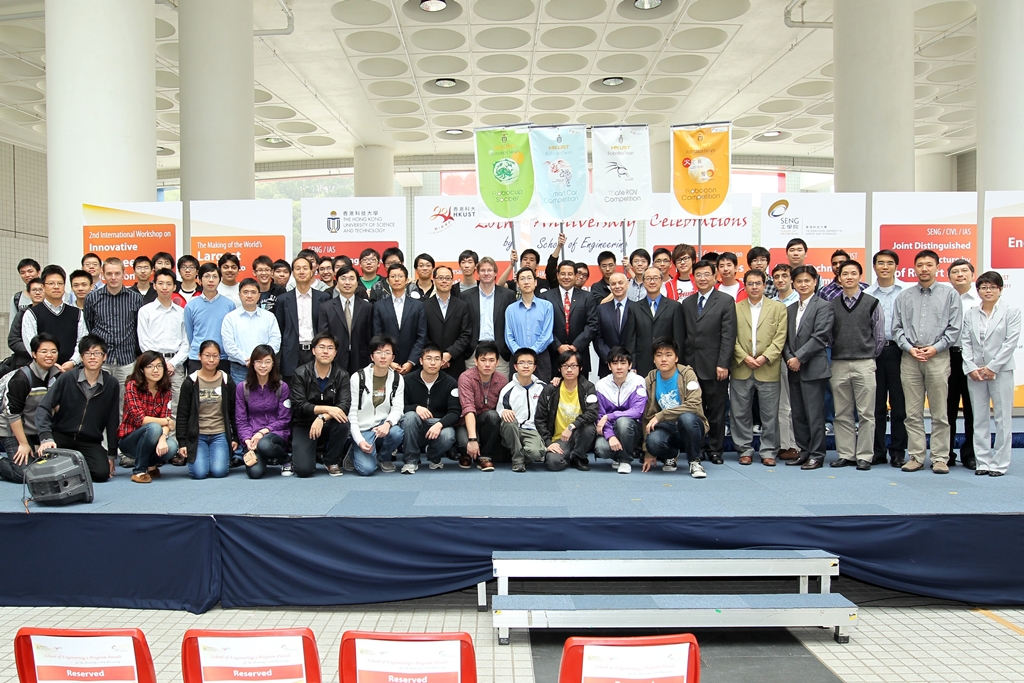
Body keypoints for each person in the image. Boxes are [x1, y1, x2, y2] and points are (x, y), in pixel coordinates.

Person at [893, 249, 963, 474]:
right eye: (920, 265)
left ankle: (940, 457)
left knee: (940, 412)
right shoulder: (904, 296)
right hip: (910, 358)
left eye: (929, 265)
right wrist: (910, 348)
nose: (924, 269)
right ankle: (915, 456)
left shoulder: (950, 295)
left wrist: (935, 348)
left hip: (938, 357)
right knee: (912, 412)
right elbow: (897, 328)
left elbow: (954, 329)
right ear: (914, 268)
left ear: (937, 267)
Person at [36, 335, 120, 483]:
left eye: (97, 353)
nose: (92, 357)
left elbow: (112, 420)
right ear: (81, 357)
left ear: (104, 357)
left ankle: (72, 465)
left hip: (90, 441)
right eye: (88, 353)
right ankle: (74, 464)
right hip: (62, 436)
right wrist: (46, 437)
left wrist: (111, 455)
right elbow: (44, 406)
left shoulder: (111, 383)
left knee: (101, 474)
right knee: (46, 465)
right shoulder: (67, 378)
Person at [961, 271, 1021, 477]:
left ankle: (1000, 463)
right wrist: (970, 367)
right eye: (984, 287)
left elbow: (1010, 342)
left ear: (1000, 289)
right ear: (978, 290)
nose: (988, 291)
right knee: (979, 418)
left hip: (1001, 371)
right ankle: (983, 461)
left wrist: (993, 367)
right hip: (976, 372)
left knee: (1003, 419)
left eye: (992, 287)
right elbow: (966, 342)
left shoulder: (1011, 311)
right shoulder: (970, 313)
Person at [828, 261, 884, 470]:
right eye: (845, 274)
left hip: (864, 364)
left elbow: (879, 337)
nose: (849, 277)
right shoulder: (831, 304)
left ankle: (864, 456)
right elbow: (828, 336)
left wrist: (867, 355)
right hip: (839, 363)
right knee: (842, 413)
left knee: (866, 413)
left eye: (853, 273)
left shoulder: (872, 303)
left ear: (860, 276)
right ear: (839, 278)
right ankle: (846, 454)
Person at [680, 260, 736, 465]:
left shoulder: (725, 301)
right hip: (690, 367)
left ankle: (715, 449)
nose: (702, 278)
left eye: (706, 274)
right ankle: (697, 448)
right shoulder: (686, 303)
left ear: (715, 277)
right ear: (693, 278)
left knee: (716, 410)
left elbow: (729, 336)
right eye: (699, 275)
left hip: (715, 367)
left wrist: (723, 363)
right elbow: (683, 335)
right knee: (694, 410)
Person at [730, 269, 787, 466]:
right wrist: (744, 357)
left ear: (764, 285)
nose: (754, 287)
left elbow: (780, 338)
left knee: (769, 413)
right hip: (741, 366)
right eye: (750, 284)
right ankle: (744, 449)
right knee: (740, 412)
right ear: (744, 286)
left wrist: (765, 357)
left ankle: (768, 450)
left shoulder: (778, 308)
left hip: (768, 367)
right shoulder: (735, 308)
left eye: (758, 283)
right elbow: (731, 338)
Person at [783, 266, 833, 470]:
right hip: (793, 368)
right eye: (799, 281)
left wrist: (799, 358)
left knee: (814, 414)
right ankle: (803, 452)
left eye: (807, 281)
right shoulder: (791, 308)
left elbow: (820, 337)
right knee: (798, 413)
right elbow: (785, 339)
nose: (803, 284)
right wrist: (789, 358)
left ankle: (817, 454)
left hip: (813, 368)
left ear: (815, 282)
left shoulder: (824, 306)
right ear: (793, 284)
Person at [640, 338, 709, 478]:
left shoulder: (687, 374)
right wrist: (647, 451)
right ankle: (671, 455)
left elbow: (693, 405)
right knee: (653, 442)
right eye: (659, 355)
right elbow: (647, 415)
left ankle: (695, 461)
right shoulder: (650, 379)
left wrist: (661, 415)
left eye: (668, 355)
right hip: (668, 428)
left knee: (687, 418)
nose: (663, 359)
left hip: (692, 425)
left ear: (676, 358)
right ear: (654, 360)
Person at [84, 257, 143, 416]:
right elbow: (90, 325)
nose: (113, 277)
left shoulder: (135, 298)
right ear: (103, 274)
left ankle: (122, 438)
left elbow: (139, 328)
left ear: (124, 274)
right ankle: (101, 440)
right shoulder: (92, 298)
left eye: (117, 273)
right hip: (101, 360)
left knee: (125, 402)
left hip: (127, 359)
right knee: (99, 400)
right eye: (109, 273)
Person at [866, 249, 908, 467]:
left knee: (900, 406)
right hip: (874, 353)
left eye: (889, 263)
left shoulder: (906, 292)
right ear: (874, 267)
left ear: (896, 266)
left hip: (900, 351)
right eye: (880, 263)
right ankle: (877, 450)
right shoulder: (867, 293)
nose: (885, 267)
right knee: (876, 405)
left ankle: (899, 451)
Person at [287, 332, 351, 477]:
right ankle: (312, 454)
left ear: (335, 353)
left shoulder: (342, 375)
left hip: (328, 423)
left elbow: (344, 405)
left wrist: (322, 418)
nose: (325, 351)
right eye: (321, 347)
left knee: (343, 423)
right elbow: (299, 405)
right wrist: (327, 409)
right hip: (304, 424)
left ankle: (331, 461)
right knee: (304, 471)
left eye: (330, 348)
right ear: (313, 350)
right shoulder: (301, 373)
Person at [0, 333, 61, 484]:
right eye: (44, 351)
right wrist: (24, 444)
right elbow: (12, 414)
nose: (49, 355)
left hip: (36, 429)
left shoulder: (58, 376)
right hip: (12, 429)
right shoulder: (21, 378)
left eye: (53, 351)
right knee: (25, 475)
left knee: (50, 469)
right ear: (33, 354)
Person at [175, 339, 238, 480]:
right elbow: (182, 415)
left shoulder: (226, 380)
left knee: (219, 472)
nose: (211, 360)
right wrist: (182, 443)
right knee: (199, 474)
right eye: (207, 355)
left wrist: (235, 437)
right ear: (199, 356)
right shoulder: (191, 381)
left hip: (220, 433)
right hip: (198, 435)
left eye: (215, 356)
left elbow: (234, 412)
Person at [349, 334, 405, 476]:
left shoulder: (397, 378)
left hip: (382, 425)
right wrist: (359, 440)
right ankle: (352, 451)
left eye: (387, 353)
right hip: (362, 429)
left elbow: (398, 407)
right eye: (379, 352)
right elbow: (352, 412)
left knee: (397, 432)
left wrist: (388, 423)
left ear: (393, 358)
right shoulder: (358, 377)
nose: (383, 356)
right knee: (367, 470)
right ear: (372, 356)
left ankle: (383, 458)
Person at [118, 350, 177, 483]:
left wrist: (163, 438)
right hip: (130, 440)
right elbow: (141, 419)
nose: (155, 370)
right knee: (154, 427)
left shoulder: (165, 388)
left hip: (153, 436)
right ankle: (139, 471)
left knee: (172, 446)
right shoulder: (132, 386)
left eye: (159, 366)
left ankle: (151, 464)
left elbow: (167, 419)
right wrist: (167, 421)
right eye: (150, 366)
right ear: (142, 370)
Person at [399, 344, 459, 474]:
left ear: (442, 362)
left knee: (449, 435)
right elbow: (399, 406)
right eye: (429, 358)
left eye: (437, 359)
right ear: (421, 361)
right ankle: (410, 461)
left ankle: (433, 455)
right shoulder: (407, 380)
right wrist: (415, 408)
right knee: (409, 417)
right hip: (415, 425)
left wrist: (440, 424)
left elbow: (455, 412)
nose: (433, 363)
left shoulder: (450, 382)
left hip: (437, 424)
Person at [535, 349, 597, 471]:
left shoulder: (588, 387)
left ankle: (578, 456)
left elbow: (592, 413)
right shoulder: (550, 390)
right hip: (559, 439)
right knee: (553, 463)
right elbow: (540, 419)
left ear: (580, 368)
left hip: (579, 434)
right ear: (559, 369)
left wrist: (571, 426)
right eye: (565, 366)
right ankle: (573, 456)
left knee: (589, 427)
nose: (569, 370)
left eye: (573, 366)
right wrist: (548, 443)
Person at [137, 268, 190, 413]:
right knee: (151, 405)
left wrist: (172, 364)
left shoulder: (182, 312)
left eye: (168, 284)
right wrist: (158, 364)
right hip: (152, 365)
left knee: (175, 407)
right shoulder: (145, 311)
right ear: (154, 285)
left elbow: (186, 343)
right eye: (160, 283)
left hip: (175, 367)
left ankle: (172, 436)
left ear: (174, 286)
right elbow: (144, 342)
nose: (164, 287)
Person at [237, 344, 293, 479]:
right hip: (252, 435)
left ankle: (286, 460)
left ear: (273, 364)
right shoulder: (242, 388)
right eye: (259, 361)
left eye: (267, 362)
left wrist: (262, 432)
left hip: (276, 433)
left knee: (265, 444)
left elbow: (284, 419)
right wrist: (247, 440)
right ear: (252, 363)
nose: (263, 366)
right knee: (255, 473)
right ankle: (264, 456)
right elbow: (241, 420)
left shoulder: (282, 387)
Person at [946, 258, 981, 469]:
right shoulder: (944, 298)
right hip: (947, 357)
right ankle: (946, 452)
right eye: (955, 272)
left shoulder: (979, 301)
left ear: (972, 275)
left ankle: (970, 453)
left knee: (972, 408)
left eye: (964, 271)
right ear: (948, 277)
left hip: (973, 359)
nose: (960, 275)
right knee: (946, 409)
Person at [275, 256, 331, 385]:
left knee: (316, 389)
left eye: (305, 268)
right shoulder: (283, 300)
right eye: (297, 268)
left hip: (316, 351)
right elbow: (280, 328)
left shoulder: (324, 298)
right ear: (293, 273)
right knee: (292, 392)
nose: (301, 271)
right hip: (292, 352)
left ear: (312, 272)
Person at [21, 265, 88, 372]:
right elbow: (31, 344)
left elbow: (82, 340)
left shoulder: (77, 313)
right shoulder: (32, 313)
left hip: (72, 370)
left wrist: (73, 361)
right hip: (42, 371)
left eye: (60, 283)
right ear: (43, 287)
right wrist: (51, 364)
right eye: (51, 283)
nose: (56, 287)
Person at [594, 345, 646, 474]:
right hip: (611, 428)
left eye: (623, 363)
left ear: (629, 365)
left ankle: (625, 460)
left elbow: (637, 411)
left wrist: (610, 416)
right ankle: (617, 455)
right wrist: (610, 435)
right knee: (601, 448)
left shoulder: (638, 381)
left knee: (623, 421)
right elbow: (600, 415)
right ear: (609, 366)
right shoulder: (601, 385)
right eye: (615, 363)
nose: (619, 367)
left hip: (634, 430)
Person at [543, 259, 599, 378]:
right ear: (557, 275)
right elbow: (542, 326)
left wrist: (576, 346)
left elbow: (592, 325)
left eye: (570, 274)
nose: (566, 277)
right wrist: (557, 345)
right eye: (563, 274)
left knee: (580, 393)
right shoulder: (545, 297)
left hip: (580, 355)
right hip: (554, 357)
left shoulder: (587, 297)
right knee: (554, 394)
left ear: (575, 276)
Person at [221, 278, 282, 385]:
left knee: (265, 400)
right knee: (240, 401)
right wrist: (249, 360)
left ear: (259, 295)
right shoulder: (230, 318)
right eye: (245, 292)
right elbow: (229, 346)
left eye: (253, 292)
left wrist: (260, 361)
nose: (249, 296)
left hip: (265, 369)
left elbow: (275, 341)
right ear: (239, 295)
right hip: (239, 369)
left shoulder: (269, 317)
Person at [456, 341, 506, 472]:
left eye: (491, 360)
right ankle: (465, 452)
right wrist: (472, 439)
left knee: (493, 415)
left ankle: (484, 456)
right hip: (465, 422)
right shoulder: (466, 378)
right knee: (463, 443)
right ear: (476, 361)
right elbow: (468, 408)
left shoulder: (502, 380)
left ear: (497, 362)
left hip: (487, 422)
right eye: (483, 360)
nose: (487, 364)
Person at [464, 256, 516, 378]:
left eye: (489, 270)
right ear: (477, 273)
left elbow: (512, 324)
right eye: (482, 270)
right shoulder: (465, 296)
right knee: (472, 388)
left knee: (501, 390)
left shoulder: (508, 295)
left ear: (495, 273)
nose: (486, 273)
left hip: (500, 352)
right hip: (473, 352)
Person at [372, 263, 428, 374]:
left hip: (413, 365)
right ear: (388, 280)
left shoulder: (418, 305)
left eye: (400, 276)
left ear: (407, 280)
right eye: (393, 276)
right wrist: (389, 360)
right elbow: (377, 335)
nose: (396, 279)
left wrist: (411, 361)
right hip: (386, 364)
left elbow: (422, 336)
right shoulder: (379, 306)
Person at [498, 347, 547, 473]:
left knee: (536, 453)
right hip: (513, 430)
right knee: (508, 420)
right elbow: (500, 410)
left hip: (532, 429)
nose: (526, 366)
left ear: (534, 367)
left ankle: (524, 453)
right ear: (515, 366)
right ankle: (518, 460)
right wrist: (504, 412)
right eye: (521, 363)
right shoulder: (507, 389)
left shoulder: (543, 388)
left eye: (530, 363)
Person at [318, 265, 374, 376]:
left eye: (351, 279)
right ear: (337, 282)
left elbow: (371, 335)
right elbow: (323, 335)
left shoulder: (367, 307)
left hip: (361, 358)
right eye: (343, 278)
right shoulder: (326, 307)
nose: (347, 282)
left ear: (357, 282)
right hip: (335, 358)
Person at [632, 267, 686, 378]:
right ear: (643, 281)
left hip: (668, 363)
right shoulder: (634, 308)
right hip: (643, 363)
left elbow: (679, 338)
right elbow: (631, 339)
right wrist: (632, 365)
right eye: (648, 278)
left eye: (656, 278)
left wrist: (678, 363)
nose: (652, 281)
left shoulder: (674, 307)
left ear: (661, 280)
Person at [184, 263, 236, 374]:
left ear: (220, 280)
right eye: (207, 276)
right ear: (199, 279)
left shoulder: (229, 305)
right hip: (197, 358)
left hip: (222, 357)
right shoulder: (191, 305)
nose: (211, 280)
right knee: (196, 391)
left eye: (215, 276)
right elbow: (190, 333)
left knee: (221, 391)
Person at [505, 268, 555, 382]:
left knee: (542, 395)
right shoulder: (510, 309)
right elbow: (509, 336)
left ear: (535, 282)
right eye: (522, 279)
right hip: (517, 359)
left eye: (529, 278)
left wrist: (531, 353)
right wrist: (521, 355)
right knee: (517, 396)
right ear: (517, 284)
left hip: (541, 358)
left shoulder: (547, 306)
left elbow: (547, 335)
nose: (526, 282)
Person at [424, 265, 472, 381]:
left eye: (447, 278)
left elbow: (466, 334)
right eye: (440, 278)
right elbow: (422, 334)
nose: (444, 281)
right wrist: (438, 358)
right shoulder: (424, 306)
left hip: (455, 362)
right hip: (431, 363)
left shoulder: (462, 305)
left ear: (452, 280)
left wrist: (449, 354)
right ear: (434, 280)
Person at [771, 263, 799, 461]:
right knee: (782, 404)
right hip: (776, 359)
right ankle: (785, 444)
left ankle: (798, 444)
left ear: (791, 279)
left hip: (798, 358)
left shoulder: (801, 300)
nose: (780, 279)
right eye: (777, 276)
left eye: (784, 276)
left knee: (797, 403)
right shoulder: (770, 303)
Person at [594, 272, 636, 378]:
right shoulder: (600, 309)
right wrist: (611, 358)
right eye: (613, 284)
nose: (617, 286)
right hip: (607, 366)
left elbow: (639, 337)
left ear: (628, 285)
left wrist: (629, 361)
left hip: (631, 367)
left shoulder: (637, 308)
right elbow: (597, 338)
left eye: (620, 283)